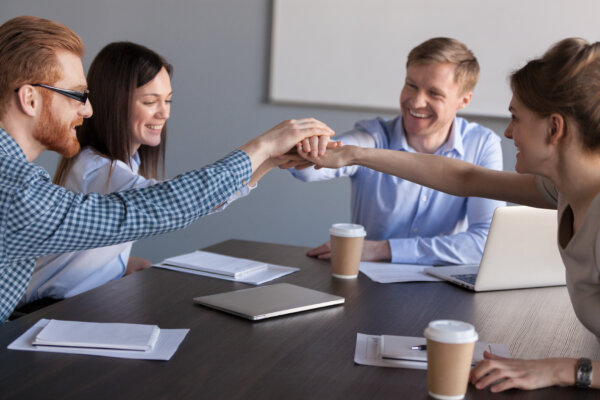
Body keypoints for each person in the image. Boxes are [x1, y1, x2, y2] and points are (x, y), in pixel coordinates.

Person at [295, 37, 600, 391]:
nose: (508, 131)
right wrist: (354, 155)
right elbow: (464, 176)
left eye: (516, 118)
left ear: (555, 128)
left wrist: (563, 369)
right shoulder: (563, 189)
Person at [0, 15, 334, 322]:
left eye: (168, 101)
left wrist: (269, 160)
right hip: (44, 315)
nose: (88, 110)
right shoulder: (21, 188)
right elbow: (162, 206)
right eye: (75, 95)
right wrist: (262, 148)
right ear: (29, 99)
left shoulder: (22, 179)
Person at [20, 42, 273, 306]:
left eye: (168, 100)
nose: (165, 113)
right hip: (48, 309)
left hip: (83, 300)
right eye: (151, 101)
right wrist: (264, 151)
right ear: (114, 104)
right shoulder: (97, 168)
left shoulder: (125, 162)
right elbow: (174, 203)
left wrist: (117, 263)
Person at [289, 38, 505, 265]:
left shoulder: (481, 144)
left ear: (463, 100)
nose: (417, 102)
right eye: (411, 85)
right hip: (368, 284)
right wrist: (310, 147)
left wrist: (382, 249)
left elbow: (485, 244)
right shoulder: (373, 136)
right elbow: (308, 171)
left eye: (434, 93)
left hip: (440, 288)